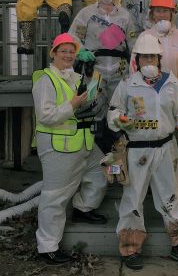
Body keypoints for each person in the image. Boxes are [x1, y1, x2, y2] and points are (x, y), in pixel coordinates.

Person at [107, 34, 178, 270]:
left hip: (166, 148)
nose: (149, 61)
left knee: (172, 196)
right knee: (133, 199)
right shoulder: (127, 85)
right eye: (144, 56)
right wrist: (120, 119)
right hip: (137, 151)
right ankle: (130, 248)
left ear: (159, 59)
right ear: (136, 60)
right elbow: (113, 113)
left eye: (153, 56)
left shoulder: (172, 83)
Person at [32, 33, 107, 265]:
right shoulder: (45, 80)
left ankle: (84, 208)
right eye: (63, 51)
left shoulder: (75, 77)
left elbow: (87, 102)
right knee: (55, 197)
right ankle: (47, 248)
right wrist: (72, 104)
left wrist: (95, 80)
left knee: (101, 171)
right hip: (58, 146)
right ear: (53, 53)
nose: (68, 55)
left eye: (71, 52)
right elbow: (46, 116)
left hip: (82, 142)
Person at [69, 0, 137, 152]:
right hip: (94, 70)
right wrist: (80, 50)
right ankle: (93, 153)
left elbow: (134, 45)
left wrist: (135, 70)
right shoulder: (87, 13)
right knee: (92, 107)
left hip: (119, 70)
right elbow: (73, 36)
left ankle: (118, 155)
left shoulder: (125, 16)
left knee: (119, 109)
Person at [130, 0, 178, 78]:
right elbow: (134, 66)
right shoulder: (144, 37)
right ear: (152, 14)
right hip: (150, 89)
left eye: (165, 11)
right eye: (158, 11)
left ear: (171, 14)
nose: (162, 15)